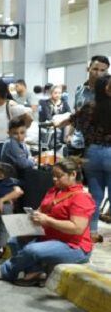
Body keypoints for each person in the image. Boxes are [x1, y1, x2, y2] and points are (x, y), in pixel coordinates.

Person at [0, 157, 95, 285]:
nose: (54, 179)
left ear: (73, 174)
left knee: (31, 250)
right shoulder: (54, 191)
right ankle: (35, 272)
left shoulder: (81, 197)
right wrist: (34, 217)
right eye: (53, 176)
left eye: (59, 176)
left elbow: (77, 228)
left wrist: (48, 220)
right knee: (14, 240)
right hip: (49, 237)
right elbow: (41, 210)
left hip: (73, 246)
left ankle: (6, 271)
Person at [65, 74, 111, 243]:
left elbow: (74, 122)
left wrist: (57, 124)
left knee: (95, 196)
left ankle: (92, 232)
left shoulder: (89, 107)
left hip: (92, 153)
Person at [66, 55, 110, 156]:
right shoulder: (79, 90)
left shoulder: (107, 93)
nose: (98, 73)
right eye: (95, 69)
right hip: (77, 143)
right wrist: (69, 134)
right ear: (88, 69)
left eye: (103, 70)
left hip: (98, 145)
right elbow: (76, 114)